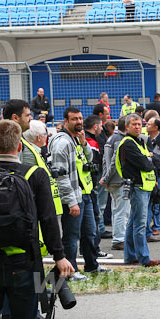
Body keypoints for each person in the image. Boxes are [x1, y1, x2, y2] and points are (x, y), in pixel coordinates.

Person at [0, 120, 74, 319]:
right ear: (19, 146)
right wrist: (59, 256)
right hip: (25, 260)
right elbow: (48, 219)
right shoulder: (35, 174)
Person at [49, 107, 108, 280]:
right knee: (71, 235)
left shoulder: (76, 139)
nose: (79, 122)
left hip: (86, 194)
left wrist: (84, 143)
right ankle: (70, 271)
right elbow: (61, 176)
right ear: (66, 121)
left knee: (90, 233)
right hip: (74, 197)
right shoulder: (62, 142)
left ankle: (92, 266)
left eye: (80, 118)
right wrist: (71, 201)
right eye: (74, 119)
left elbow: (89, 159)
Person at [115, 113, 160, 267]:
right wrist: (150, 159)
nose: (137, 127)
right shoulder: (128, 143)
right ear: (127, 126)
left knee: (132, 223)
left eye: (138, 124)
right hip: (138, 187)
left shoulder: (138, 142)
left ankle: (130, 256)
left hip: (143, 186)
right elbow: (147, 164)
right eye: (133, 124)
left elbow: (151, 162)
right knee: (140, 225)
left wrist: (149, 160)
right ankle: (144, 258)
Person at [84, 115, 113, 257]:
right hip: (91, 184)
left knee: (93, 215)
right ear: (95, 126)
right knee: (95, 214)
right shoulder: (91, 142)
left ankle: (89, 249)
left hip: (89, 184)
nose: (102, 129)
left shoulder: (86, 140)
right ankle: (92, 249)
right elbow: (94, 164)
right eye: (101, 126)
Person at [101, 116, 129, 250]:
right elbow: (114, 162)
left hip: (113, 180)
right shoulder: (120, 140)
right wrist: (106, 178)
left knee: (116, 210)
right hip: (119, 180)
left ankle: (118, 238)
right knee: (122, 212)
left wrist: (105, 177)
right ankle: (119, 239)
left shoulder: (112, 138)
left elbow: (105, 161)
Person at [146, 117, 160, 240]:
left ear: (156, 127)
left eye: (149, 124)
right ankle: (151, 226)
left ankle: (156, 225)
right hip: (148, 174)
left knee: (157, 200)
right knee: (150, 202)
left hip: (157, 175)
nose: (146, 126)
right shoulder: (145, 139)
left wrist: (158, 172)